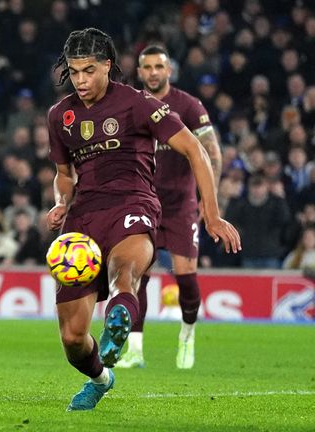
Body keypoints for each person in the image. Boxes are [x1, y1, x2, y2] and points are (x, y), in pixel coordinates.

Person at [46, 28, 240, 411]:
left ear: (108, 66)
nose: (81, 80)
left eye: (89, 71)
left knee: (125, 274)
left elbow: (195, 151)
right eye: (74, 72)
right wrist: (59, 201)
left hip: (133, 203)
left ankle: (120, 318)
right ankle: (101, 378)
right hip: (83, 218)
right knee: (72, 338)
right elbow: (64, 174)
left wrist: (212, 214)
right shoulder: (59, 115)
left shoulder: (138, 103)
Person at [116, 45, 223, 370]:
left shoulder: (188, 106)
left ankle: (187, 335)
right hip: (143, 201)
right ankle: (135, 350)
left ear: (168, 70)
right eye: (146, 67)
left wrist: (209, 198)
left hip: (180, 204)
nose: (152, 72)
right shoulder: (132, 105)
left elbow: (212, 154)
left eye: (158, 66)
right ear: (140, 72)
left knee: (186, 276)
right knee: (138, 275)